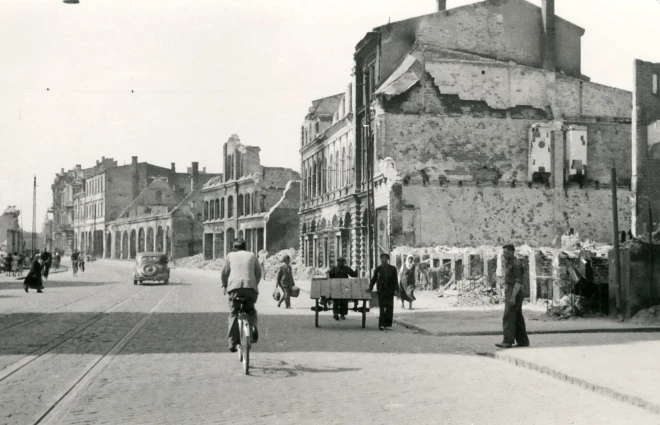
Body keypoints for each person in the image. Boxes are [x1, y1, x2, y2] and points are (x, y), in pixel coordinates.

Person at [221, 238, 262, 353]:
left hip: (234, 289)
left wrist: (225, 285)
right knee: (251, 311)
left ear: (234, 248)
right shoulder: (252, 255)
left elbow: (224, 273)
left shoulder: (230, 256)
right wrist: (253, 284)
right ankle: (253, 329)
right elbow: (258, 273)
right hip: (250, 289)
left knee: (234, 313)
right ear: (245, 247)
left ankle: (232, 343)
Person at [496, 244, 530, 349]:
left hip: (515, 291)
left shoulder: (516, 264)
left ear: (512, 252)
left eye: (506, 252)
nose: (504, 255)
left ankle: (507, 341)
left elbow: (518, 282)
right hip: (511, 290)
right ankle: (523, 341)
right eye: (504, 253)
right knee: (517, 317)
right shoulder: (510, 263)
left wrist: (513, 297)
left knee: (508, 316)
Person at [369, 253, 399, 330]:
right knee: (382, 307)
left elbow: (395, 280)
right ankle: (381, 324)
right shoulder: (378, 269)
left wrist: (396, 290)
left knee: (389, 307)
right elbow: (374, 279)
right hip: (381, 290)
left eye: (385, 257)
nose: (384, 259)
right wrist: (370, 287)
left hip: (390, 290)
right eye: (382, 257)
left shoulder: (392, 268)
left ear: (388, 259)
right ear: (381, 259)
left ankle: (387, 324)